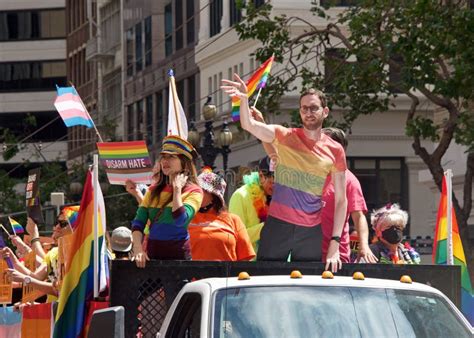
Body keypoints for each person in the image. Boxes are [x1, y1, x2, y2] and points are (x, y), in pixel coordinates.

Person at [222, 76, 347, 272]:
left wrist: (335, 243)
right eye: (304, 108)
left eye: (313, 108)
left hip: (311, 230)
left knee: (306, 286)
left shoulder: (336, 150)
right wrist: (244, 100)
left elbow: (341, 200)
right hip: (278, 224)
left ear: (325, 112)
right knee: (264, 280)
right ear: (299, 112)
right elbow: (249, 125)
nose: (308, 112)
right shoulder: (285, 135)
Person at [131, 135, 203, 268]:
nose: (165, 161)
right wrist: (138, 249)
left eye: (171, 157)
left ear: (184, 161)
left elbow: (180, 220)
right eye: (163, 156)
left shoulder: (195, 191)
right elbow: (138, 222)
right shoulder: (152, 190)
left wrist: (177, 190)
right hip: (151, 259)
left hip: (178, 262)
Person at [320, 127, 377, 263]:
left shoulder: (349, 180)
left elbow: (358, 216)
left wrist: (364, 246)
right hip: (305, 253)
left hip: (335, 256)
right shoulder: (308, 174)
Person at [3, 211, 74, 302]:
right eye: (57, 223)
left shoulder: (78, 254)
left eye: (63, 224)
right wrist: (14, 259)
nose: (57, 227)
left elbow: (59, 289)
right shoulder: (54, 252)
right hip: (54, 309)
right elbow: (36, 277)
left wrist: (33, 236)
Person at [189, 170, 255, 261]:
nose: (195, 193)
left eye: (201, 190)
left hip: (225, 275)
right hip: (188, 274)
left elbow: (245, 259)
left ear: (214, 196)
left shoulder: (234, 220)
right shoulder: (185, 217)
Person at [228, 156, 274, 252]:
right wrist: (267, 226)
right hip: (249, 264)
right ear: (261, 176)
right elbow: (236, 236)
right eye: (272, 182)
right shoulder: (240, 196)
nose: (276, 187)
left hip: (275, 262)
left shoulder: (279, 197)